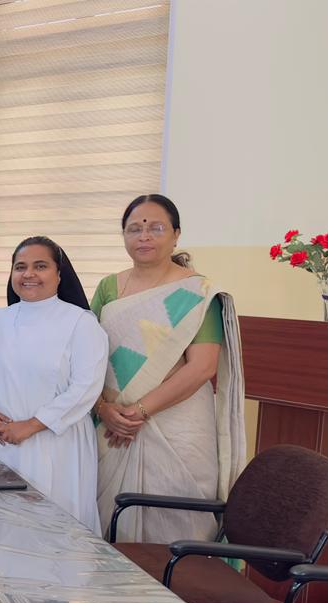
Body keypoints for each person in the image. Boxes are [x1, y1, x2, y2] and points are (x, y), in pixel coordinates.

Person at [92, 194, 244, 543]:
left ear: (176, 235)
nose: (144, 236)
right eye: (134, 229)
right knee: (111, 530)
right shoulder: (109, 287)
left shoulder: (198, 292)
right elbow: (87, 356)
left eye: (156, 228)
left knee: (178, 525)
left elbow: (202, 367)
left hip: (178, 426)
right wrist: (103, 409)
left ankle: (179, 580)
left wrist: (138, 412)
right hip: (112, 425)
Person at [0, 237, 107, 533]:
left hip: (53, 445)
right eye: (20, 267)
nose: (28, 274)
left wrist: (31, 425)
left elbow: (86, 387)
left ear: (59, 274)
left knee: (50, 533)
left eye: (40, 266)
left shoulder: (81, 323)